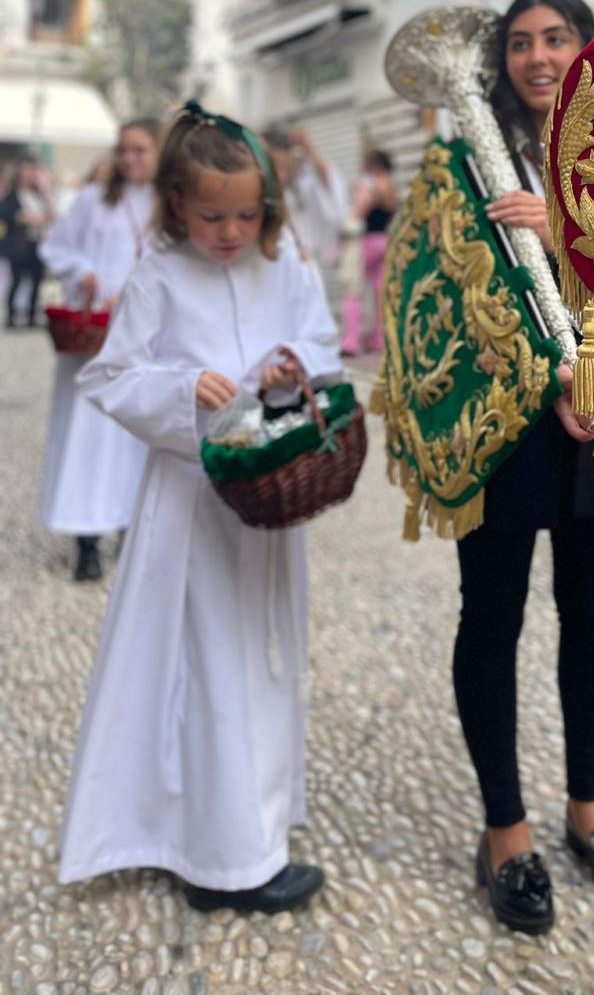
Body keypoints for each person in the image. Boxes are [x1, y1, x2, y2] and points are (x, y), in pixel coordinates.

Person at [59, 102, 340, 914]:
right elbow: (111, 377)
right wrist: (184, 392)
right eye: (212, 214)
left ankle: (245, 828)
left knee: (260, 656)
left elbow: (320, 349)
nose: (229, 231)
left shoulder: (286, 268)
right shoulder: (157, 272)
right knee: (208, 666)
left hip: (266, 497)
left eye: (248, 214)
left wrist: (294, 369)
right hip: (189, 507)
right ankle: (227, 861)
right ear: (177, 202)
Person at [454, 0, 594, 935]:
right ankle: (504, 826)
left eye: (555, 38)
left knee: (593, 616)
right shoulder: (464, 158)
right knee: (491, 618)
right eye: (521, 43)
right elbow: (442, 287)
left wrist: (562, 231)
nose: (537, 57)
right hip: (503, 423)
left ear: (586, 45)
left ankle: (588, 805)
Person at [39, 120, 159, 581]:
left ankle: (130, 527)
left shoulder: (170, 205)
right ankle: (85, 540)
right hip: (93, 338)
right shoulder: (93, 200)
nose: (131, 159)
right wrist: (85, 272)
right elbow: (57, 248)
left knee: (134, 437)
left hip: (143, 338)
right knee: (86, 438)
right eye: (124, 150)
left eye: (141, 150)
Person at [263, 122, 348, 273]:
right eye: (276, 168)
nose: (281, 176)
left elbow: (329, 188)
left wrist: (309, 148)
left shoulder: (299, 191)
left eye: (285, 168)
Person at [340, 148, 398, 357]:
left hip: (366, 242)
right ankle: (378, 340)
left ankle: (350, 341)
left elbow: (358, 211)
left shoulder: (371, 185)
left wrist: (351, 212)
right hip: (385, 240)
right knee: (380, 292)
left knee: (352, 291)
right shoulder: (391, 187)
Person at [1, 155, 53, 327]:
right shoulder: (12, 195)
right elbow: (8, 215)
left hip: (36, 244)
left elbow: (48, 214)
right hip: (19, 245)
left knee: (36, 280)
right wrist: (25, 218)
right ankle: (12, 315)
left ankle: (31, 314)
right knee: (16, 280)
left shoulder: (37, 195)